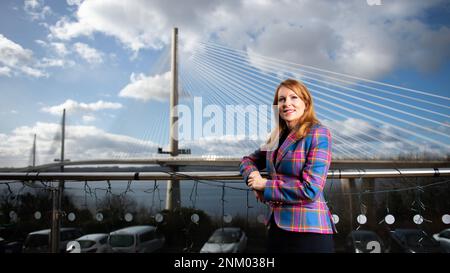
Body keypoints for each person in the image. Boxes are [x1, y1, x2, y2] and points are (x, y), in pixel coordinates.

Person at [240, 78, 336, 253]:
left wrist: (265, 185)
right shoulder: (276, 137)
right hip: (277, 227)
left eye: (294, 98)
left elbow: (311, 190)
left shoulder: (319, 133)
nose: (287, 103)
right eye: (282, 99)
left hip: (309, 231)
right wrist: (253, 179)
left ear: (306, 103)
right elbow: (247, 160)